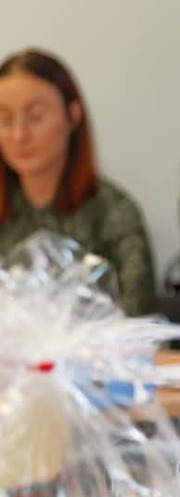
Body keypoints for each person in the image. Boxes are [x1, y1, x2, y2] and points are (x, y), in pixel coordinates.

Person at [0, 48, 157, 316]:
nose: (19, 134)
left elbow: (139, 318)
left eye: (35, 117)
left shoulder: (113, 213)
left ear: (73, 115)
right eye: (5, 119)